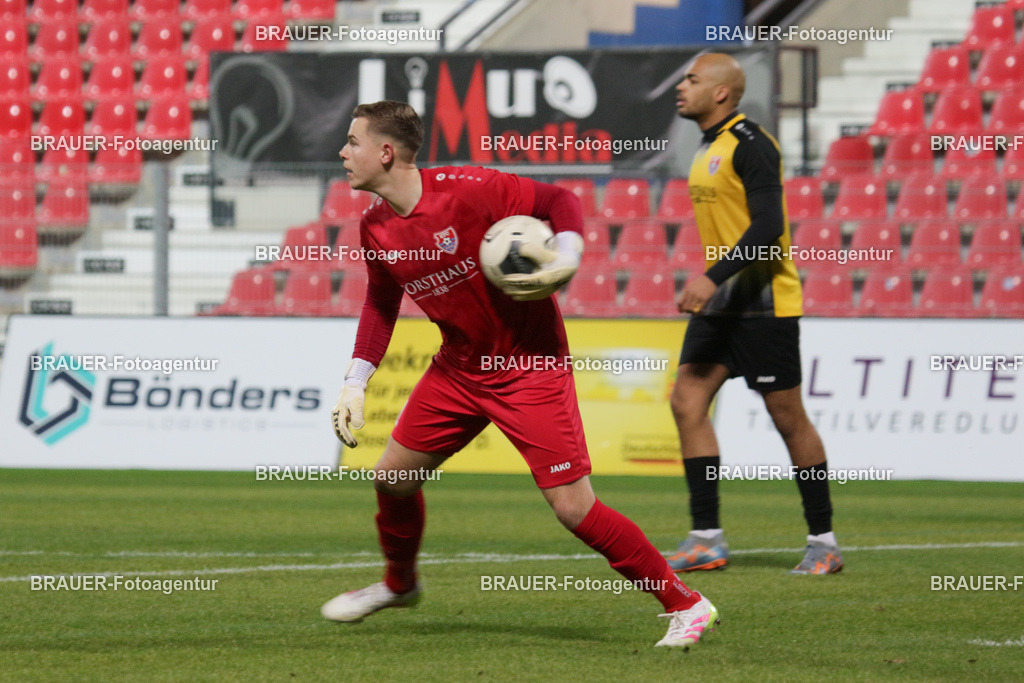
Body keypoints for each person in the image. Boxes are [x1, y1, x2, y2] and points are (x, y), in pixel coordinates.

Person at [320, 100, 719, 647]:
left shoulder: (470, 188)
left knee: (574, 508)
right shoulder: (375, 227)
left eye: (353, 141)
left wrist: (570, 252)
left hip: (529, 367)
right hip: (458, 369)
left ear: (386, 152)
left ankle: (687, 604)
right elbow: (380, 305)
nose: (342, 152)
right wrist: (355, 380)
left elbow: (559, 200)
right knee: (392, 476)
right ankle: (400, 583)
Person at [667, 54, 843, 575]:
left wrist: (710, 278)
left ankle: (824, 542)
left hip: (764, 305)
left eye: (692, 79)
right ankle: (706, 538)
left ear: (721, 93)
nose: (681, 86)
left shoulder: (752, 145)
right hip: (723, 307)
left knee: (787, 417)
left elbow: (768, 227)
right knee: (686, 401)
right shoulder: (707, 148)